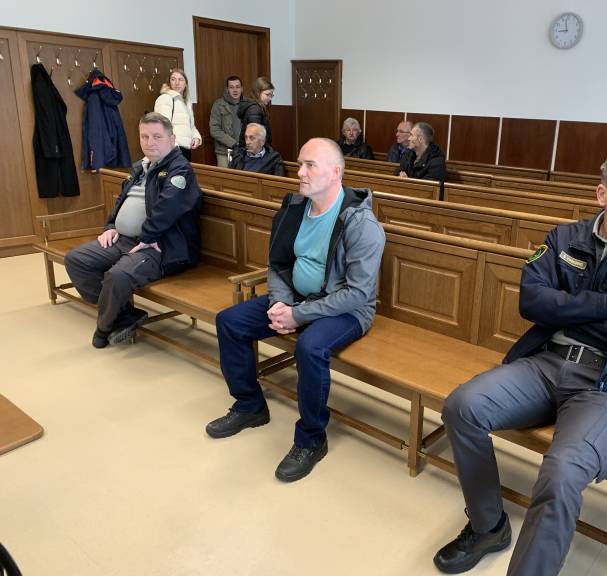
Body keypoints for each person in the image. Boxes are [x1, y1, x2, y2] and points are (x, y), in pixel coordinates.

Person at [433, 149, 607, 576]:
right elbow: (531, 301)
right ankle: (488, 526)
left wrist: (566, 312)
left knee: (561, 472)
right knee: (462, 406)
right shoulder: (564, 237)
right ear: (602, 194)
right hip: (544, 364)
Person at [206, 138, 385, 483]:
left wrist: (298, 316)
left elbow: (358, 293)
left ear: (335, 172)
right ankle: (249, 406)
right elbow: (278, 262)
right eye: (300, 163)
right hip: (295, 299)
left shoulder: (361, 224)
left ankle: (311, 439)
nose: (299, 172)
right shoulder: (294, 208)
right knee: (229, 321)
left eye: (309, 165)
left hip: (346, 310)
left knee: (310, 347)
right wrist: (280, 302)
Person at [64, 113, 202, 349]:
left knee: (117, 276)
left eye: (157, 136)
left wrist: (148, 236)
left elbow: (167, 209)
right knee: (77, 260)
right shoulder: (141, 167)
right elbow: (121, 202)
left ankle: (104, 328)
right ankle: (124, 315)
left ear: (172, 139)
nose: (150, 142)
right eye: (144, 137)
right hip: (125, 239)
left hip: (162, 246)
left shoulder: (180, 170)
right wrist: (111, 226)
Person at [154, 68, 202, 161]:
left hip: (185, 148)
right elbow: (161, 127)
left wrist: (196, 137)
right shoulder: (165, 98)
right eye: (173, 79)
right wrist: (174, 147)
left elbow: (191, 127)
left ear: (185, 84)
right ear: (169, 83)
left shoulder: (186, 102)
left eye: (180, 79)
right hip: (172, 149)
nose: (177, 83)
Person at [209, 75, 243, 167]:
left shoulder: (247, 105)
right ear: (227, 89)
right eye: (231, 87)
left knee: (244, 176)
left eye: (237, 87)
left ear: (242, 89)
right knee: (225, 176)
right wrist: (233, 143)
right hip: (224, 152)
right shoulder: (218, 105)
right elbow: (214, 130)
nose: (235, 90)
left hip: (244, 151)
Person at [238, 77, 274, 147]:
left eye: (271, 95)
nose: (270, 98)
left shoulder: (256, 107)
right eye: (267, 94)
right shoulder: (254, 110)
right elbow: (254, 136)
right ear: (258, 93)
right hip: (255, 150)